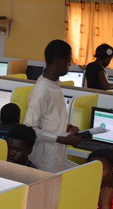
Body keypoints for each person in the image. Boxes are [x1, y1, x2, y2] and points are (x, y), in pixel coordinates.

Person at [23, 40, 83, 172]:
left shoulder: (53, 83)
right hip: (43, 159)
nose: (70, 64)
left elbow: (49, 118)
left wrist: (67, 127)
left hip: (55, 155)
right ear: (58, 62)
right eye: (68, 62)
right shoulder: (42, 90)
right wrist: (61, 139)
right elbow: (30, 128)